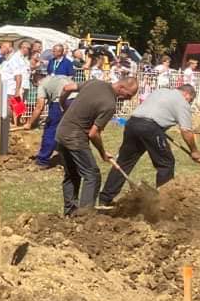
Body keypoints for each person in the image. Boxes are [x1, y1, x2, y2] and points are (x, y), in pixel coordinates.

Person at [100, 85, 200, 206]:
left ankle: (105, 199)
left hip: (133, 123)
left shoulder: (160, 91)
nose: (189, 103)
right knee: (166, 164)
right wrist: (194, 151)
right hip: (151, 127)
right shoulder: (183, 103)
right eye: (190, 100)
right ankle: (164, 202)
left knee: (124, 161)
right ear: (187, 95)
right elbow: (186, 131)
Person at [55, 77, 139, 216]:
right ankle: (85, 215)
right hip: (75, 138)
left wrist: (63, 105)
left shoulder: (95, 82)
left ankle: (70, 212)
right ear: (121, 88)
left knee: (72, 174)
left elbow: (67, 88)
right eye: (128, 95)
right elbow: (94, 134)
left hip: (61, 132)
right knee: (92, 175)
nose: (128, 99)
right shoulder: (110, 105)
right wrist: (102, 153)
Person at [24, 72, 75, 169]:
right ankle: (73, 160)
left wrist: (29, 123)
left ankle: (42, 161)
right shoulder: (59, 76)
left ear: (37, 82)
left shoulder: (42, 85)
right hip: (78, 100)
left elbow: (39, 106)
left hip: (62, 101)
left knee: (50, 130)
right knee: (72, 132)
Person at [0, 41, 31, 125]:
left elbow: (19, 75)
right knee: (15, 106)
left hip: (15, 87)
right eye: (25, 47)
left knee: (17, 106)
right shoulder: (12, 58)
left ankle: (16, 124)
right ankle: (15, 123)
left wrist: (17, 90)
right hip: (11, 87)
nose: (0, 49)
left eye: (3, 47)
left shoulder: (17, 58)